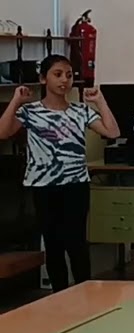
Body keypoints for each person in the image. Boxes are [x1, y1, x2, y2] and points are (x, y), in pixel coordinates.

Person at [0, 55, 120, 290]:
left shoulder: (80, 111)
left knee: (76, 242)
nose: (64, 80)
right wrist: (15, 101)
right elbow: (3, 132)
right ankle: (59, 296)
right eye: (57, 74)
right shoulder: (31, 111)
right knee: (53, 244)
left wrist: (100, 101)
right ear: (43, 78)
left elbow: (112, 132)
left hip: (75, 184)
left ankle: (84, 293)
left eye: (69, 75)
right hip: (43, 185)